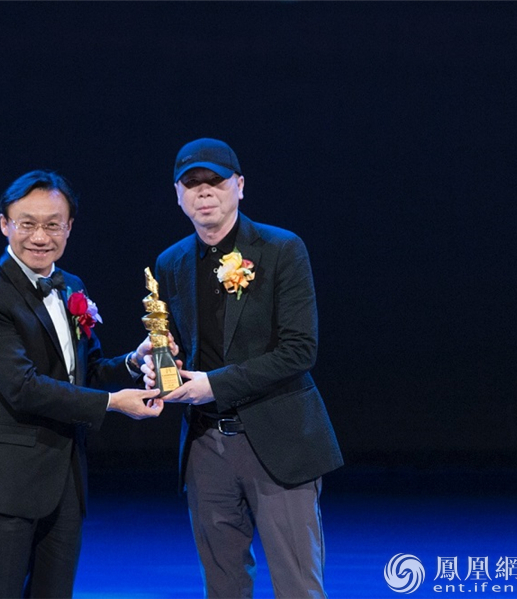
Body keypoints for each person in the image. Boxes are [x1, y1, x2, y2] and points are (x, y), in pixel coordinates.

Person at [143, 138, 343, 598]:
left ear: (240, 186)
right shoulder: (172, 262)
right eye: (191, 183)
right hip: (205, 446)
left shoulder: (281, 248)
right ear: (177, 195)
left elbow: (299, 350)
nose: (204, 191)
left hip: (278, 438)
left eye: (215, 180)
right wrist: (155, 363)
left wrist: (214, 385)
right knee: (223, 586)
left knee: (297, 585)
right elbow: (179, 346)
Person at [0, 169, 162, 599]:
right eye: (27, 223)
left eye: (52, 225)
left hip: (64, 481)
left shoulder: (72, 287)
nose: (40, 237)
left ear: (69, 227)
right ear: (4, 224)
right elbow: (23, 387)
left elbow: (85, 370)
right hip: (4, 484)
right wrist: (111, 403)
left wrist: (134, 360)